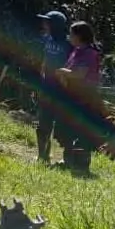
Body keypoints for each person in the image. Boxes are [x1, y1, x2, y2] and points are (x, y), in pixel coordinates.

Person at [57, 20, 103, 174]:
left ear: (79, 36)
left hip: (85, 98)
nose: (69, 36)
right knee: (68, 129)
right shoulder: (76, 51)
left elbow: (79, 74)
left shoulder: (90, 53)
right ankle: (67, 160)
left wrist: (62, 72)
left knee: (81, 131)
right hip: (72, 96)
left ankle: (81, 166)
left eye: (71, 33)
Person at [35, 10, 72, 164]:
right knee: (43, 123)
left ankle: (68, 158)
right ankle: (43, 155)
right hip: (47, 86)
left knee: (64, 126)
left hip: (63, 90)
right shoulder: (48, 39)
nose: (44, 24)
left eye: (47, 22)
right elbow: (45, 59)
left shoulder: (70, 43)